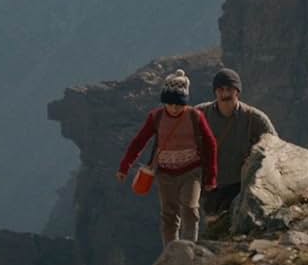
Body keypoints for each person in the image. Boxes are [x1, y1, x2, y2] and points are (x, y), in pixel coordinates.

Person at [117, 69, 218, 245]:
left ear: (185, 102)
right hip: (165, 173)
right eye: (169, 104)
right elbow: (139, 141)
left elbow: (211, 144)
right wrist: (125, 166)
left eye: (178, 104)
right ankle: (170, 252)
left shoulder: (195, 116)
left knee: (190, 208)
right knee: (169, 215)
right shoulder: (156, 117)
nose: (173, 108)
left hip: (191, 171)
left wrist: (211, 176)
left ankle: (188, 250)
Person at [197, 67, 276, 217]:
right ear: (215, 91)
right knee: (214, 227)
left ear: (237, 91)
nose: (225, 93)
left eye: (229, 89)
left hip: (240, 186)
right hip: (211, 187)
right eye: (220, 89)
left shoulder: (254, 118)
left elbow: (276, 148)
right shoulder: (200, 114)